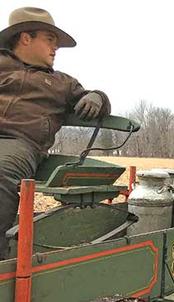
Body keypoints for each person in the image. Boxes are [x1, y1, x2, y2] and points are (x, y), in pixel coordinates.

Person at [0, 7, 111, 259]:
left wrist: (97, 97)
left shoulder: (62, 83)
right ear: (25, 38)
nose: (55, 48)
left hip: (18, 144)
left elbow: (93, 98)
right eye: (49, 39)